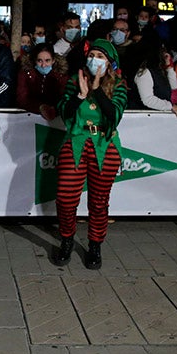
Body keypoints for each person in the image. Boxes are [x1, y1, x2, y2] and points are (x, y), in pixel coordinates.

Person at [51, 38, 128, 269]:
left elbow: (114, 116)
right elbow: (65, 112)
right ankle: (66, 240)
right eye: (92, 54)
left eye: (101, 56)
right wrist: (81, 96)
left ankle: (95, 245)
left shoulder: (119, 85)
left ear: (110, 63)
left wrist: (97, 92)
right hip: (76, 141)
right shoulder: (76, 80)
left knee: (99, 201)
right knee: (65, 198)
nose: (95, 59)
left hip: (105, 145)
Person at [123, 32, 177, 118]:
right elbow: (148, 99)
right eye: (162, 48)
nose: (164, 51)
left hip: (157, 117)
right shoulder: (144, 72)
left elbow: (173, 87)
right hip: (144, 118)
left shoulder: (159, 70)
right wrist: (170, 106)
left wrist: (169, 67)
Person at [16, 43, 67, 121]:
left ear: (53, 60)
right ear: (34, 60)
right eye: (39, 61)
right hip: (29, 117)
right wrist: (40, 107)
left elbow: (64, 98)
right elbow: (22, 98)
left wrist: (54, 109)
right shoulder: (26, 74)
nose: (43, 65)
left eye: (47, 60)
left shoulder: (61, 76)